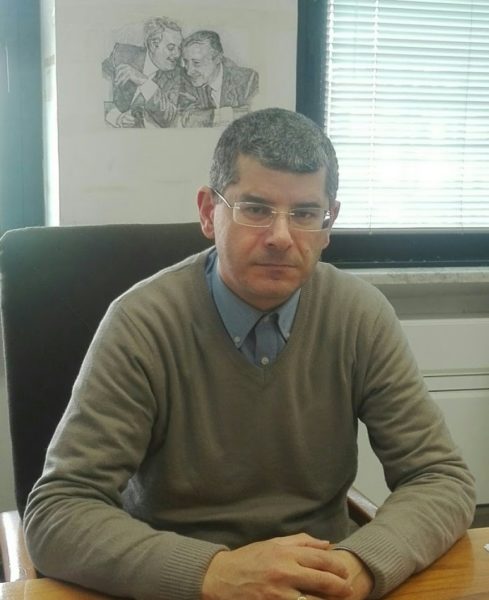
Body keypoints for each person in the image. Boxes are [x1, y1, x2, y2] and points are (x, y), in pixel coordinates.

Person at [24, 108, 475, 600]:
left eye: (305, 214)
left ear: (328, 224)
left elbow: (441, 479)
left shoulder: (360, 315)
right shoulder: (142, 323)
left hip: (320, 586)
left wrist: (358, 565)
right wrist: (214, 572)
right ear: (208, 212)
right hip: (182, 586)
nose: (281, 237)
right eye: (256, 209)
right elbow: (58, 512)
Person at [102, 17, 183, 128]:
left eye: (179, 48)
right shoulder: (122, 53)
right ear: (153, 45)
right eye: (171, 48)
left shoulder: (177, 74)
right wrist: (115, 116)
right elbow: (97, 88)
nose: (177, 54)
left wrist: (144, 82)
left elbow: (169, 116)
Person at [179, 30, 259, 127]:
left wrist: (211, 116)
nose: (189, 71)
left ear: (217, 58)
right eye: (186, 62)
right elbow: (189, 119)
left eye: (196, 63)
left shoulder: (248, 80)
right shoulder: (184, 80)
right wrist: (232, 114)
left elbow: (255, 116)